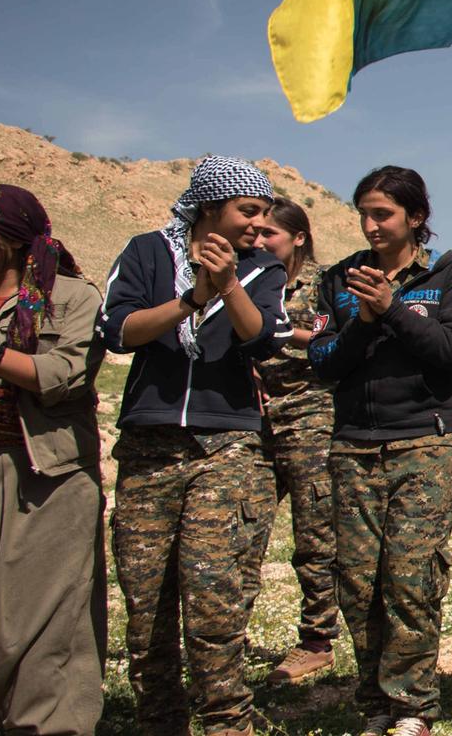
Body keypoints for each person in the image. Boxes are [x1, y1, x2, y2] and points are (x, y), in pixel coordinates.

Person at [100, 157, 288, 736]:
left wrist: (226, 285)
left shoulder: (262, 269)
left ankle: (228, 721)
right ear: (210, 207)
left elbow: (260, 339)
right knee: (146, 602)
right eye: (248, 212)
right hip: (149, 444)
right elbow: (119, 330)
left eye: (264, 214)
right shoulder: (146, 252)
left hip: (225, 443)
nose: (259, 225)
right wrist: (189, 298)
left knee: (213, 595)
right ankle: (160, 720)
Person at [310, 166, 452, 736]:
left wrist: (394, 310)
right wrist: (364, 320)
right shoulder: (339, 279)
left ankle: (412, 707)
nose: (371, 225)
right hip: (353, 447)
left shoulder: (447, 273)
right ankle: (375, 704)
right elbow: (324, 362)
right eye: (364, 214)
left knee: (409, 575)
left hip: (425, 443)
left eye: (382, 213)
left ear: (415, 217)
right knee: (357, 583)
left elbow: (450, 350)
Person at [0, 185, 106, 735]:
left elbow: (65, 377)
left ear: (11, 239)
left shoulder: (70, 297)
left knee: (40, 631)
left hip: (45, 482)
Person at [248, 197, 341, 684]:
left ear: (298, 238)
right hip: (251, 416)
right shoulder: (245, 279)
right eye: (255, 233)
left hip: (310, 413)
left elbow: (336, 338)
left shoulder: (325, 283)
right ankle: (225, 633)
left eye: (270, 235)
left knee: (315, 534)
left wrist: (279, 330)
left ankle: (317, 639)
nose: (259, 242)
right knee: (242, 531)